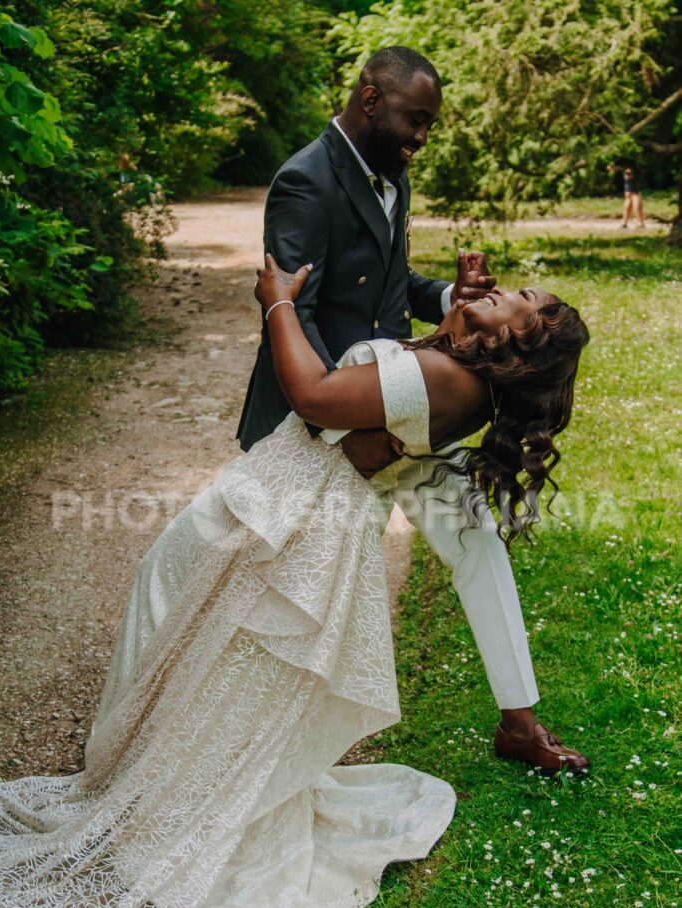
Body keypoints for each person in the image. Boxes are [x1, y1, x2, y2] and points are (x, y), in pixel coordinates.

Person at [0, 251, 589, 908]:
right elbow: (390, 394)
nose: (504, 287)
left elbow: (314, 393)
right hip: (288, 500)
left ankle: (143, 797)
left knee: (187, 623)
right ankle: (141, 780)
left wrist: (277, 300)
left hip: (286, 516)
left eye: (519, 298)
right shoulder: (458, 368)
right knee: (198, 642)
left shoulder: (446, 378)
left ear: (520, 340)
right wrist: (450, 315)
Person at [237, 45, 590, 773]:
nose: (422, 137)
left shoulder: (389, 170)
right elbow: (295, 311)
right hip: (329, 424)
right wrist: (341, 432)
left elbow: (388, 283)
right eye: (416, 120)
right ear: (371, 100)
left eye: (428, 124)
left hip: (403, 413)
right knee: (297, 595)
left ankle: (520, 724)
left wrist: (451, 299)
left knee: (478, 543)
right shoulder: (305, 180)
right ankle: (251, 750)